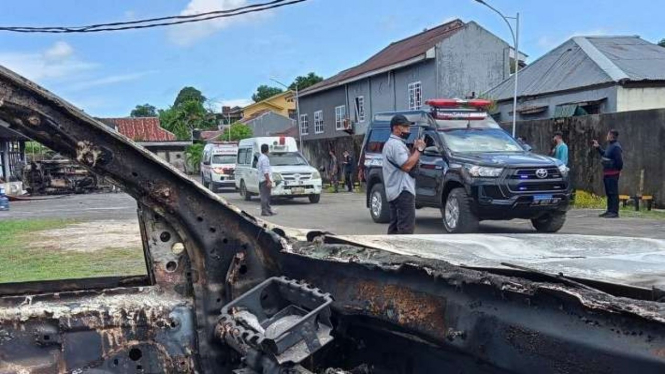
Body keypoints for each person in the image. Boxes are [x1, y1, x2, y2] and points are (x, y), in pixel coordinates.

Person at [382, 114, 426, 235]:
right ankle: (401, 252)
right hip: (402, 190)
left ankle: (389, 251)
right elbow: (406, 166)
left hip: (394, 190)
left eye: (408, 127)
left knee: (395, 226)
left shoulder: (392, 144)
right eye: (405, 127)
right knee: (405, 228)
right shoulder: (396, 145)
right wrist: (419, 150)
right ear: (396, 128)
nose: (408, 130)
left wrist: (413, 150)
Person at [593, 129, 623, 218]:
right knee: (609, 193)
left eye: (608, 134)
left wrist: (616, 170)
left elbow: (619, 162)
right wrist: (598, 147)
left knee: (613, 193)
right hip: (607, 173)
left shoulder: (616, 147)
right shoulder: (610, 146)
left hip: (612, 173)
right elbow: (605, 155)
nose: (607, 136)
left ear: (611, 136)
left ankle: (614, 212)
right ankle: (609, 210)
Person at [257, 144, 275, 216]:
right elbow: (265, 171)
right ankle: (264, 211)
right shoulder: (265, 159)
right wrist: (268, 181)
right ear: (267, 150)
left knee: (267, 196)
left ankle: (268, 210)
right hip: (265, 180)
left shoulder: (261, 157)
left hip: (262, 179)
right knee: (265, 196)